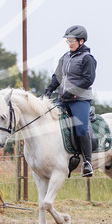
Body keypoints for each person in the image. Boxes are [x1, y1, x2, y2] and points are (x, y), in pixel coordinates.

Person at [44, 25, 97, 177]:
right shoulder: (65, 57)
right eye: (68, 41)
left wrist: (72, 91)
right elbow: (57, 76)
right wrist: (49, 89)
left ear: (81, 41)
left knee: (81, 129)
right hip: (64, 99)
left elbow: (88, 80)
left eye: (72, 41)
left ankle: (87, 162)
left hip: (80, 99)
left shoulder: (87, 59)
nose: (69, 43)